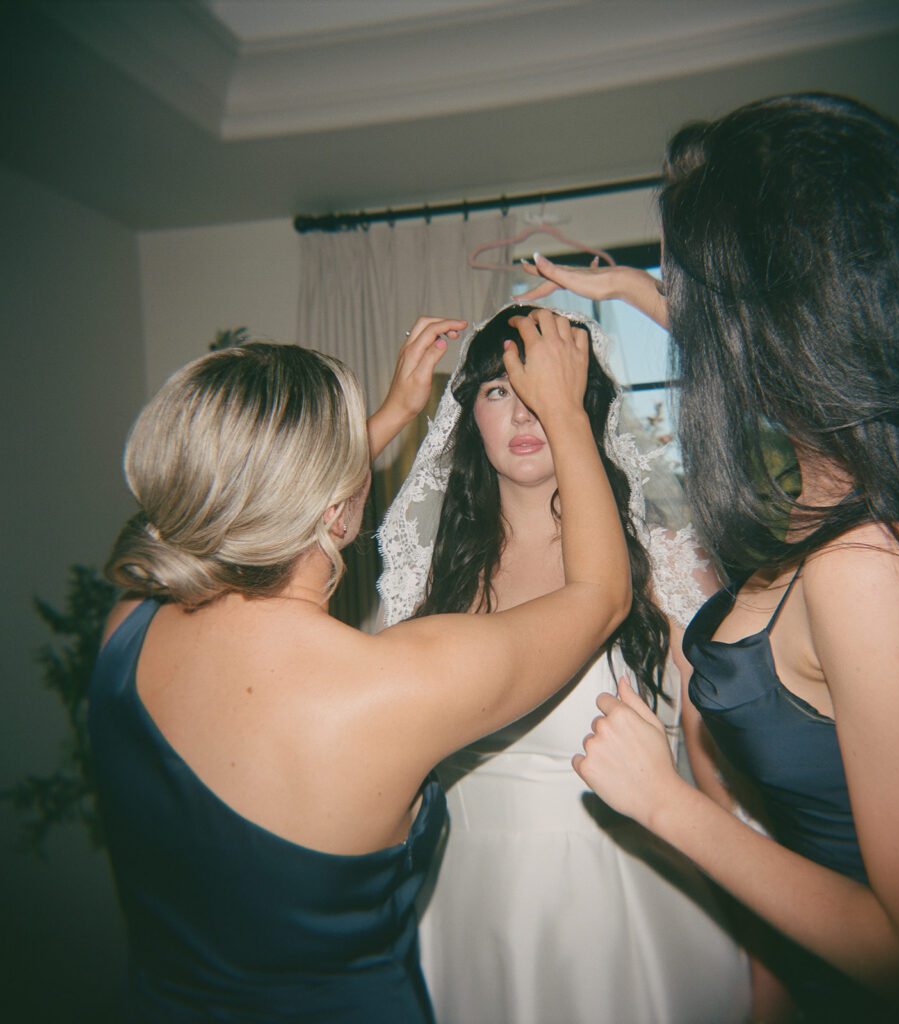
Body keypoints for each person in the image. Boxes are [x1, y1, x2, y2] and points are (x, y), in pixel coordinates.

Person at [523, 93, 899, 1021]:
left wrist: (666, 805)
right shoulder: (859, 472)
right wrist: (631, 291)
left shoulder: (871, 568)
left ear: (764, 319)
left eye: (689, 291)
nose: (689, 322)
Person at [88, 309, 632, 1023]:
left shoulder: (128, 624)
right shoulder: (391, 686)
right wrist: (564, 411)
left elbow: (228, 515)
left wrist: (387, 418)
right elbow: (598, 593)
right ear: (340, 512)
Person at [378, 303, 752, 1024]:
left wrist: (770, 959)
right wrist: (394, 411)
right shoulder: (431, 582)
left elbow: (722, 777)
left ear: (586, 407)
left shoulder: (662, 564)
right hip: (463, 912)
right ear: (467, 417)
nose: (522, 413)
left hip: (626, 910)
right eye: (496, 391)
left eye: (543, 387)